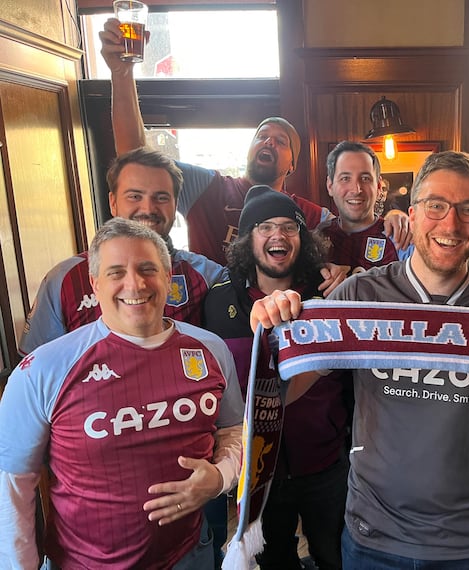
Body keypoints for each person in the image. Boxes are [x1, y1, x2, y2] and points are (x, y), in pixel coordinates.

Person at [251, 150, 469, 568]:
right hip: (375, 538)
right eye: (436, 205)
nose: (451, 222)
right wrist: (272, 329)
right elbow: (284, 391)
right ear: (413, 213)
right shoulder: (360, 296)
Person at [0, 217, 244, 569]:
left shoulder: (211, 350)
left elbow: (234, 429)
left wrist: (221, 477)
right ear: (95, 284)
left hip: (191, 553)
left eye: (148, 268)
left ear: (166, 276)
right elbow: (11, 485)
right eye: (116, 272)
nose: (135, 283)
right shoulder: (44, 369)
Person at [98, 19, 412, 266]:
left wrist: (392, 219)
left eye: (280, 141)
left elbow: (355, 223)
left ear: (292, 164)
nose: (269, 142)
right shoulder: (208, 188)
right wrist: (122, 73)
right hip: (215, 319)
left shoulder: (309, 215)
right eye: (262, 136)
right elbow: (135, 161)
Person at [203, 186, 350, 570]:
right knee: (275, 563)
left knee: (335, 555)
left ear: (304, 239)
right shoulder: (218, 300)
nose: (278, 235)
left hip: (325, 462)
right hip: (258, 472)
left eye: (289, 227)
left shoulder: (326, 293)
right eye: (264, 226)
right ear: (247, 238)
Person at [19, 146, 226, 356]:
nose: (148, 208)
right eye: (135, 196)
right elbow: (34, 367)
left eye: (161, 197)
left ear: (176, 205)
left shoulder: (208, 275)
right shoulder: (63, 280)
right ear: (113, 202)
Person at [318, 140, 413, 274]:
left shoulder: (399, 238)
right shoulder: (319, 236)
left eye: (365, 178)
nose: (356, 189)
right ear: (330, 186)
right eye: (345, 178)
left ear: (379, 186)